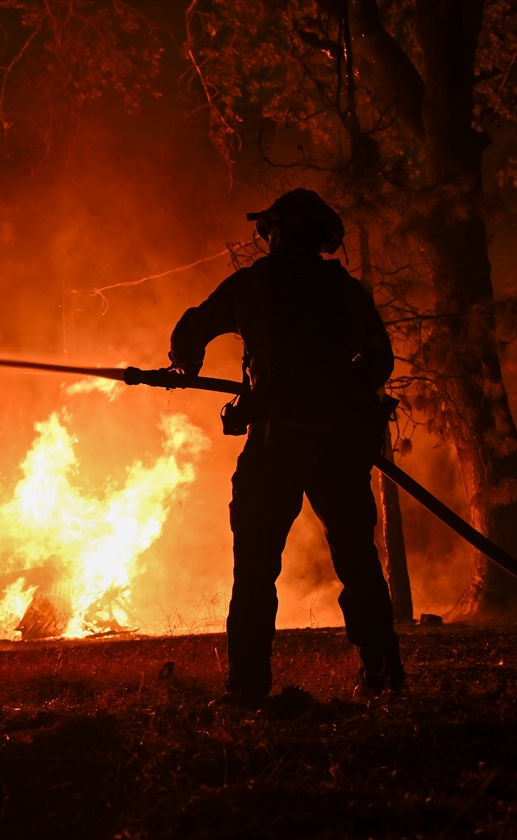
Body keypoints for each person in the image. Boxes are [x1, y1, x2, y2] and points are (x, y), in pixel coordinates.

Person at [167, 188, 403, 703]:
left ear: (277, 233)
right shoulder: (345, 293)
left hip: (275, 448)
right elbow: (380, 359)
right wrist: (348, 392)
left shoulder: (254, 286)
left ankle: (248, 688)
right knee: (359, 564)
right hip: (338, 448)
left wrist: (185, 364)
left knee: (254, 570)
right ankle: (384, 678)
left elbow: (193, 327)